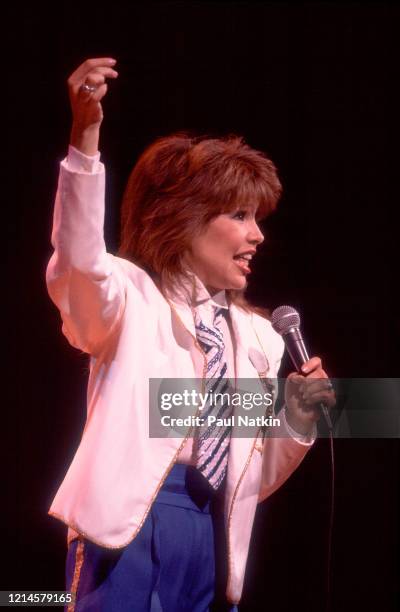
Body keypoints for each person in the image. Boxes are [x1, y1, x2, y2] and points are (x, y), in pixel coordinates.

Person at [46, 57, 336, 612]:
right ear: (186, 219)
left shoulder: (260, 338)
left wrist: (297, 419)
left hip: (212, 534)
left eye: (259, 219)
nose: (257, 236)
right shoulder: (132, 300)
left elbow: (251, 474)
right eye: (241, 216)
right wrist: (85, 139)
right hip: (127, 529)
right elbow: (79, 265)